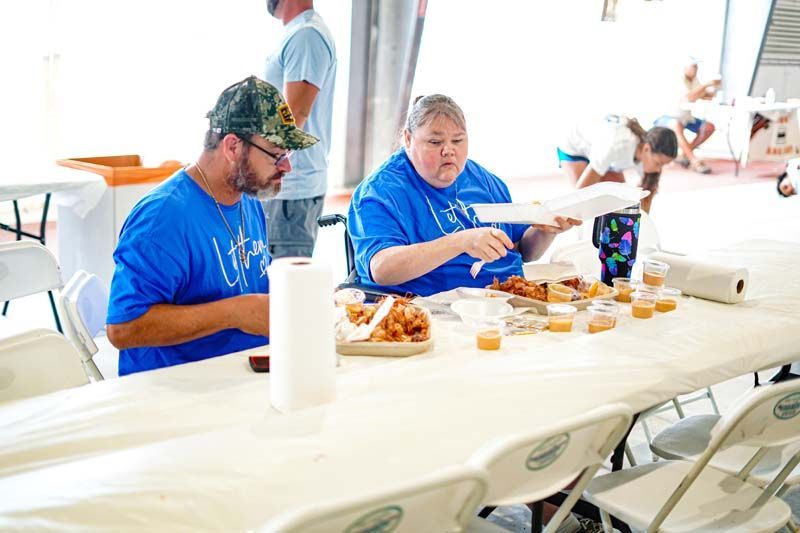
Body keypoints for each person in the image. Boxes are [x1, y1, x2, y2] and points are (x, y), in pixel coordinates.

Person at [106, 76, 318, 375]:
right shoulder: (162, 219)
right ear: (232, 147)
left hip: (242, 374)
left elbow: (252, 285)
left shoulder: (248, 199)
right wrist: (235, 313)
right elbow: (123, 329)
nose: (287, 167)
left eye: (288, 154)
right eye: (277, 154)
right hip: (178, 391)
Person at [348, 94, 581, 298]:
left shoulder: (484, 180)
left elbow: (523, 250)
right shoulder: (380, 192)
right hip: (432, 308)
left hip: (505, 301)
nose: (448, 150)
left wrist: (543, 230)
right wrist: (460, 242)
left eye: (458, 140)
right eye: (435, 142)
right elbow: (381, 269)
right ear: (408, 139)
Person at [263, 0, 337, 258]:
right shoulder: (297, 33)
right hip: (280, 186)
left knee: (285, 288)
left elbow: (292, 119)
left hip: (291, 189)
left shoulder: (306, 35)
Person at [557, 115, 678, 213]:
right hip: (574, 147)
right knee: (588, 201)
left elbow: (646, 201)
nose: (658, 170)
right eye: (658, 163)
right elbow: (580, 194)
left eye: (663, 165)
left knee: (620, 199)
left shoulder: (647, 150)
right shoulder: (615, 146)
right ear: (646, 149)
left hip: (603, 153)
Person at [654, 57, 721, 174]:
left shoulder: (695, 81)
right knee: (676, 125)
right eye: (694, 67)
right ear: (685, 68)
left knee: (709, 127)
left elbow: (703, 95)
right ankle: (694, 161)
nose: (696, 70)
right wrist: (706, 85)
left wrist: (713, 90)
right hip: (667, 117)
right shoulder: (677, 80)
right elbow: (689, 97)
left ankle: (684, 155)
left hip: (686, 118)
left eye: (697, 67)